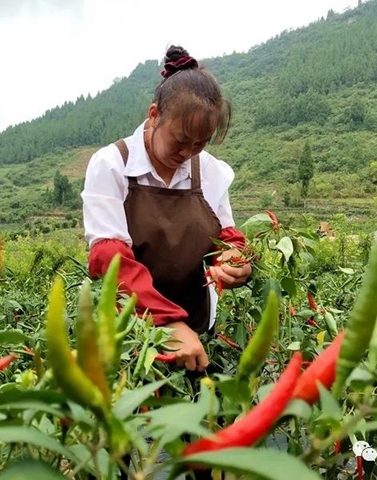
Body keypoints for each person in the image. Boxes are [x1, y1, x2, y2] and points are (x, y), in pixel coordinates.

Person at [81, 45, 252, 374]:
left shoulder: (210, 172)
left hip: (197, 329)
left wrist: (234, 264)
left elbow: (228, 239)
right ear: (155, 115)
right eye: (180, 140)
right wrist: (167, 323)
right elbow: (109, 257)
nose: (188, 152)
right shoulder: (113, 165)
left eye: (200, 143)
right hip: (131, 335)